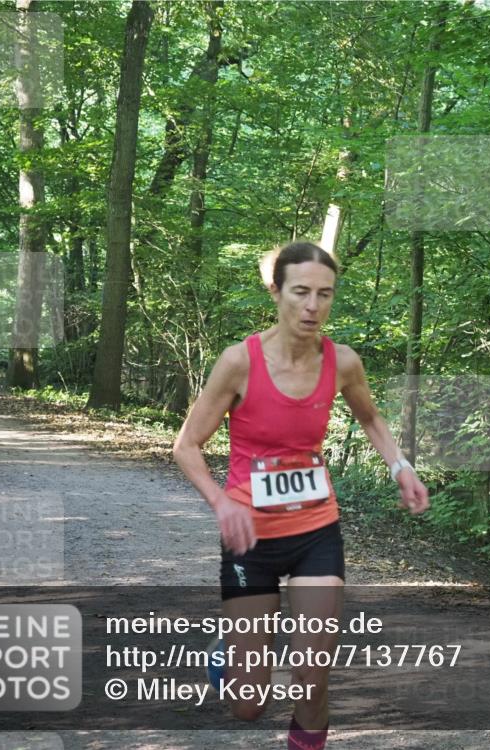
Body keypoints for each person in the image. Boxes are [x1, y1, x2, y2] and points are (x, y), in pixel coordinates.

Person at [173, 240, 429, 750]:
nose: (314, 307)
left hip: (316, 530)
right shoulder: (238, 362)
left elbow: (371, 418)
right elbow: (186, 446)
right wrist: (222, 503)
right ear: (276, 292)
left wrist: (400, 466)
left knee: (314, 674)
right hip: (251, 540)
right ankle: (230, 652)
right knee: (249, 704)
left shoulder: (343, 361)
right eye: (302, 292)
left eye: (326, 294)